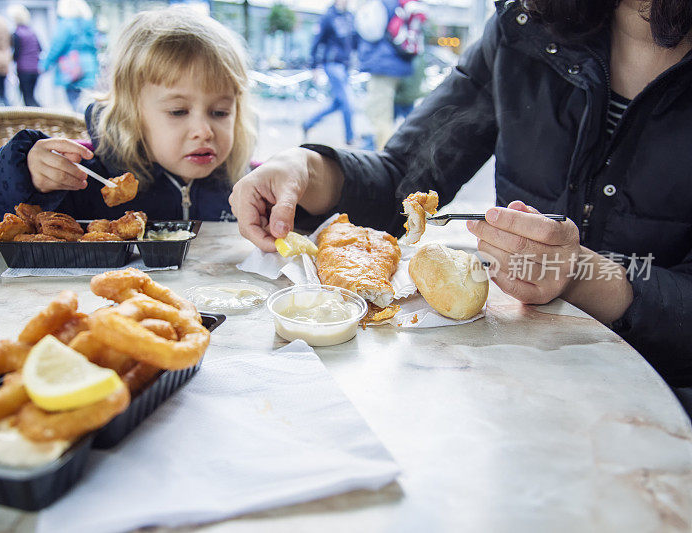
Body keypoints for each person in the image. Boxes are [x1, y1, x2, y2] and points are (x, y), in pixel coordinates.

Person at [229, 0, 692, 410]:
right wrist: (309, 172)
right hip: (514, 387)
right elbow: (406, 180)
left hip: (663, 412)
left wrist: (586, 278)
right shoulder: (526, 26)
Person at [0, 7, 256, 237]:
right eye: (178, 111)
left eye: (220, 112)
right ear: (131, 114)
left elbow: (300, 214)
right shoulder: (82, 176)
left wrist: (302, 171)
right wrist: (22, 175)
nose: (204, 131)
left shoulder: (245, 182)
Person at [356, 0, 414, 149]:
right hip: (401, 64)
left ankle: (385, 162)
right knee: (394, 115)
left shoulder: (382, 4)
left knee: (380, 118)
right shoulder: (401, 5)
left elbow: (371, 32)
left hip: (383, 66)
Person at [302, 0, 356, 145]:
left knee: (338, 103)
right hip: (332, 64)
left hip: (345, 65)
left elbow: (354, 41)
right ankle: (350, 139)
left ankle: (308, 123)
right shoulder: (328, 16)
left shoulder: (350, 16)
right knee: (348, 102)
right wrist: (314, 66)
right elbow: (316, 41)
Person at [41, 0, 98, 112]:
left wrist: (45, 65)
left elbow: (57, 47)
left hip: (72, 69)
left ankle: (80, 127)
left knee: (76, 105)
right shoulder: (89, 23)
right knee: (90, 103)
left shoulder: (66, 24)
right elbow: (95, 46)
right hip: (90, 68)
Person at [8, 4, 41, 107]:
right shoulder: (32, 32)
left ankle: (39, 119)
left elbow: (16, 54)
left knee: (27, 98)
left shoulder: (17, 34)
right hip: (35, 69)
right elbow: (40, 48)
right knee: (31, 96)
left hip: (24, 70)